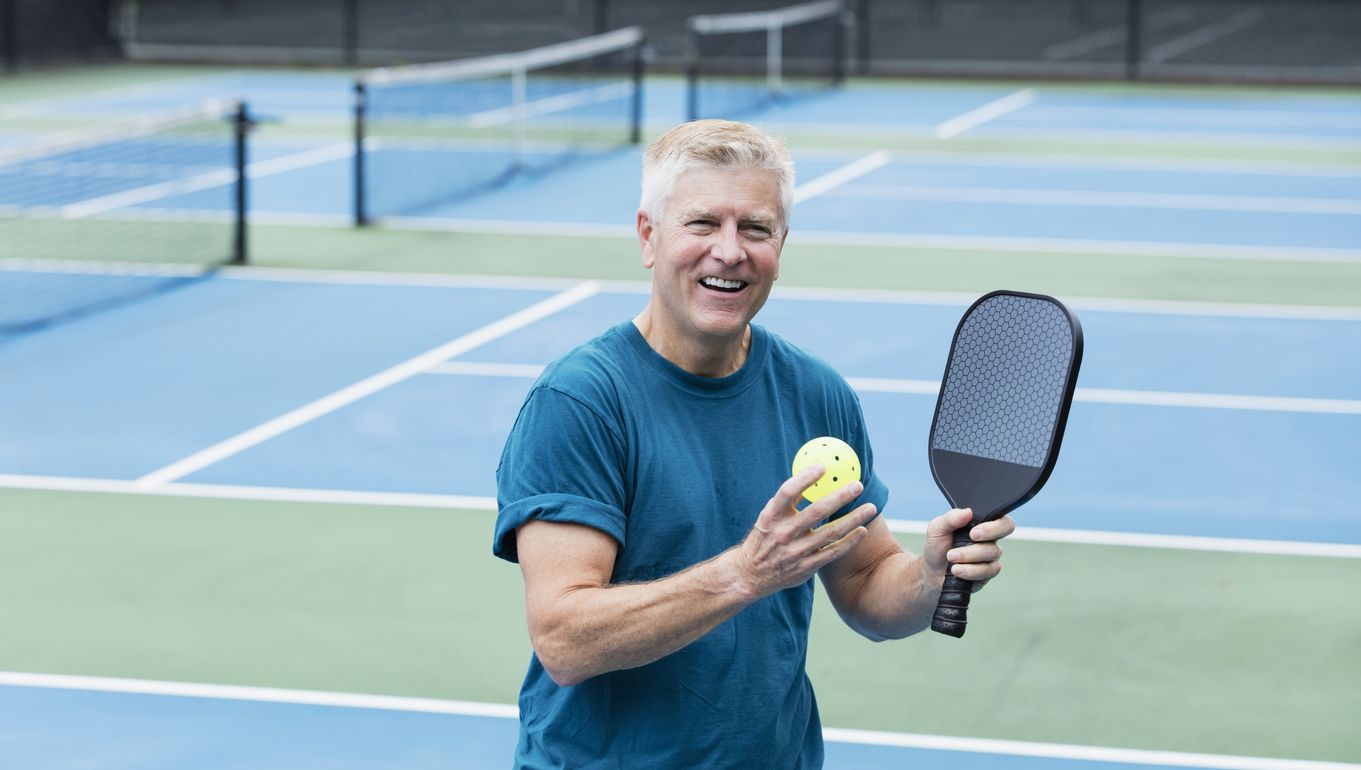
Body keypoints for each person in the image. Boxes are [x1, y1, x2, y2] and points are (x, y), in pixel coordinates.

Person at [492, 119, 1014, 768]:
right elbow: (565, 641)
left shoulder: (816, 393)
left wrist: (930, 576)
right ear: (648, 236)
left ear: (781, 243)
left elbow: (865, 586)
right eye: (703, 223)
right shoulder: (581, 402)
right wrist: (743, 574)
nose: (730, 251)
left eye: (756, 229)